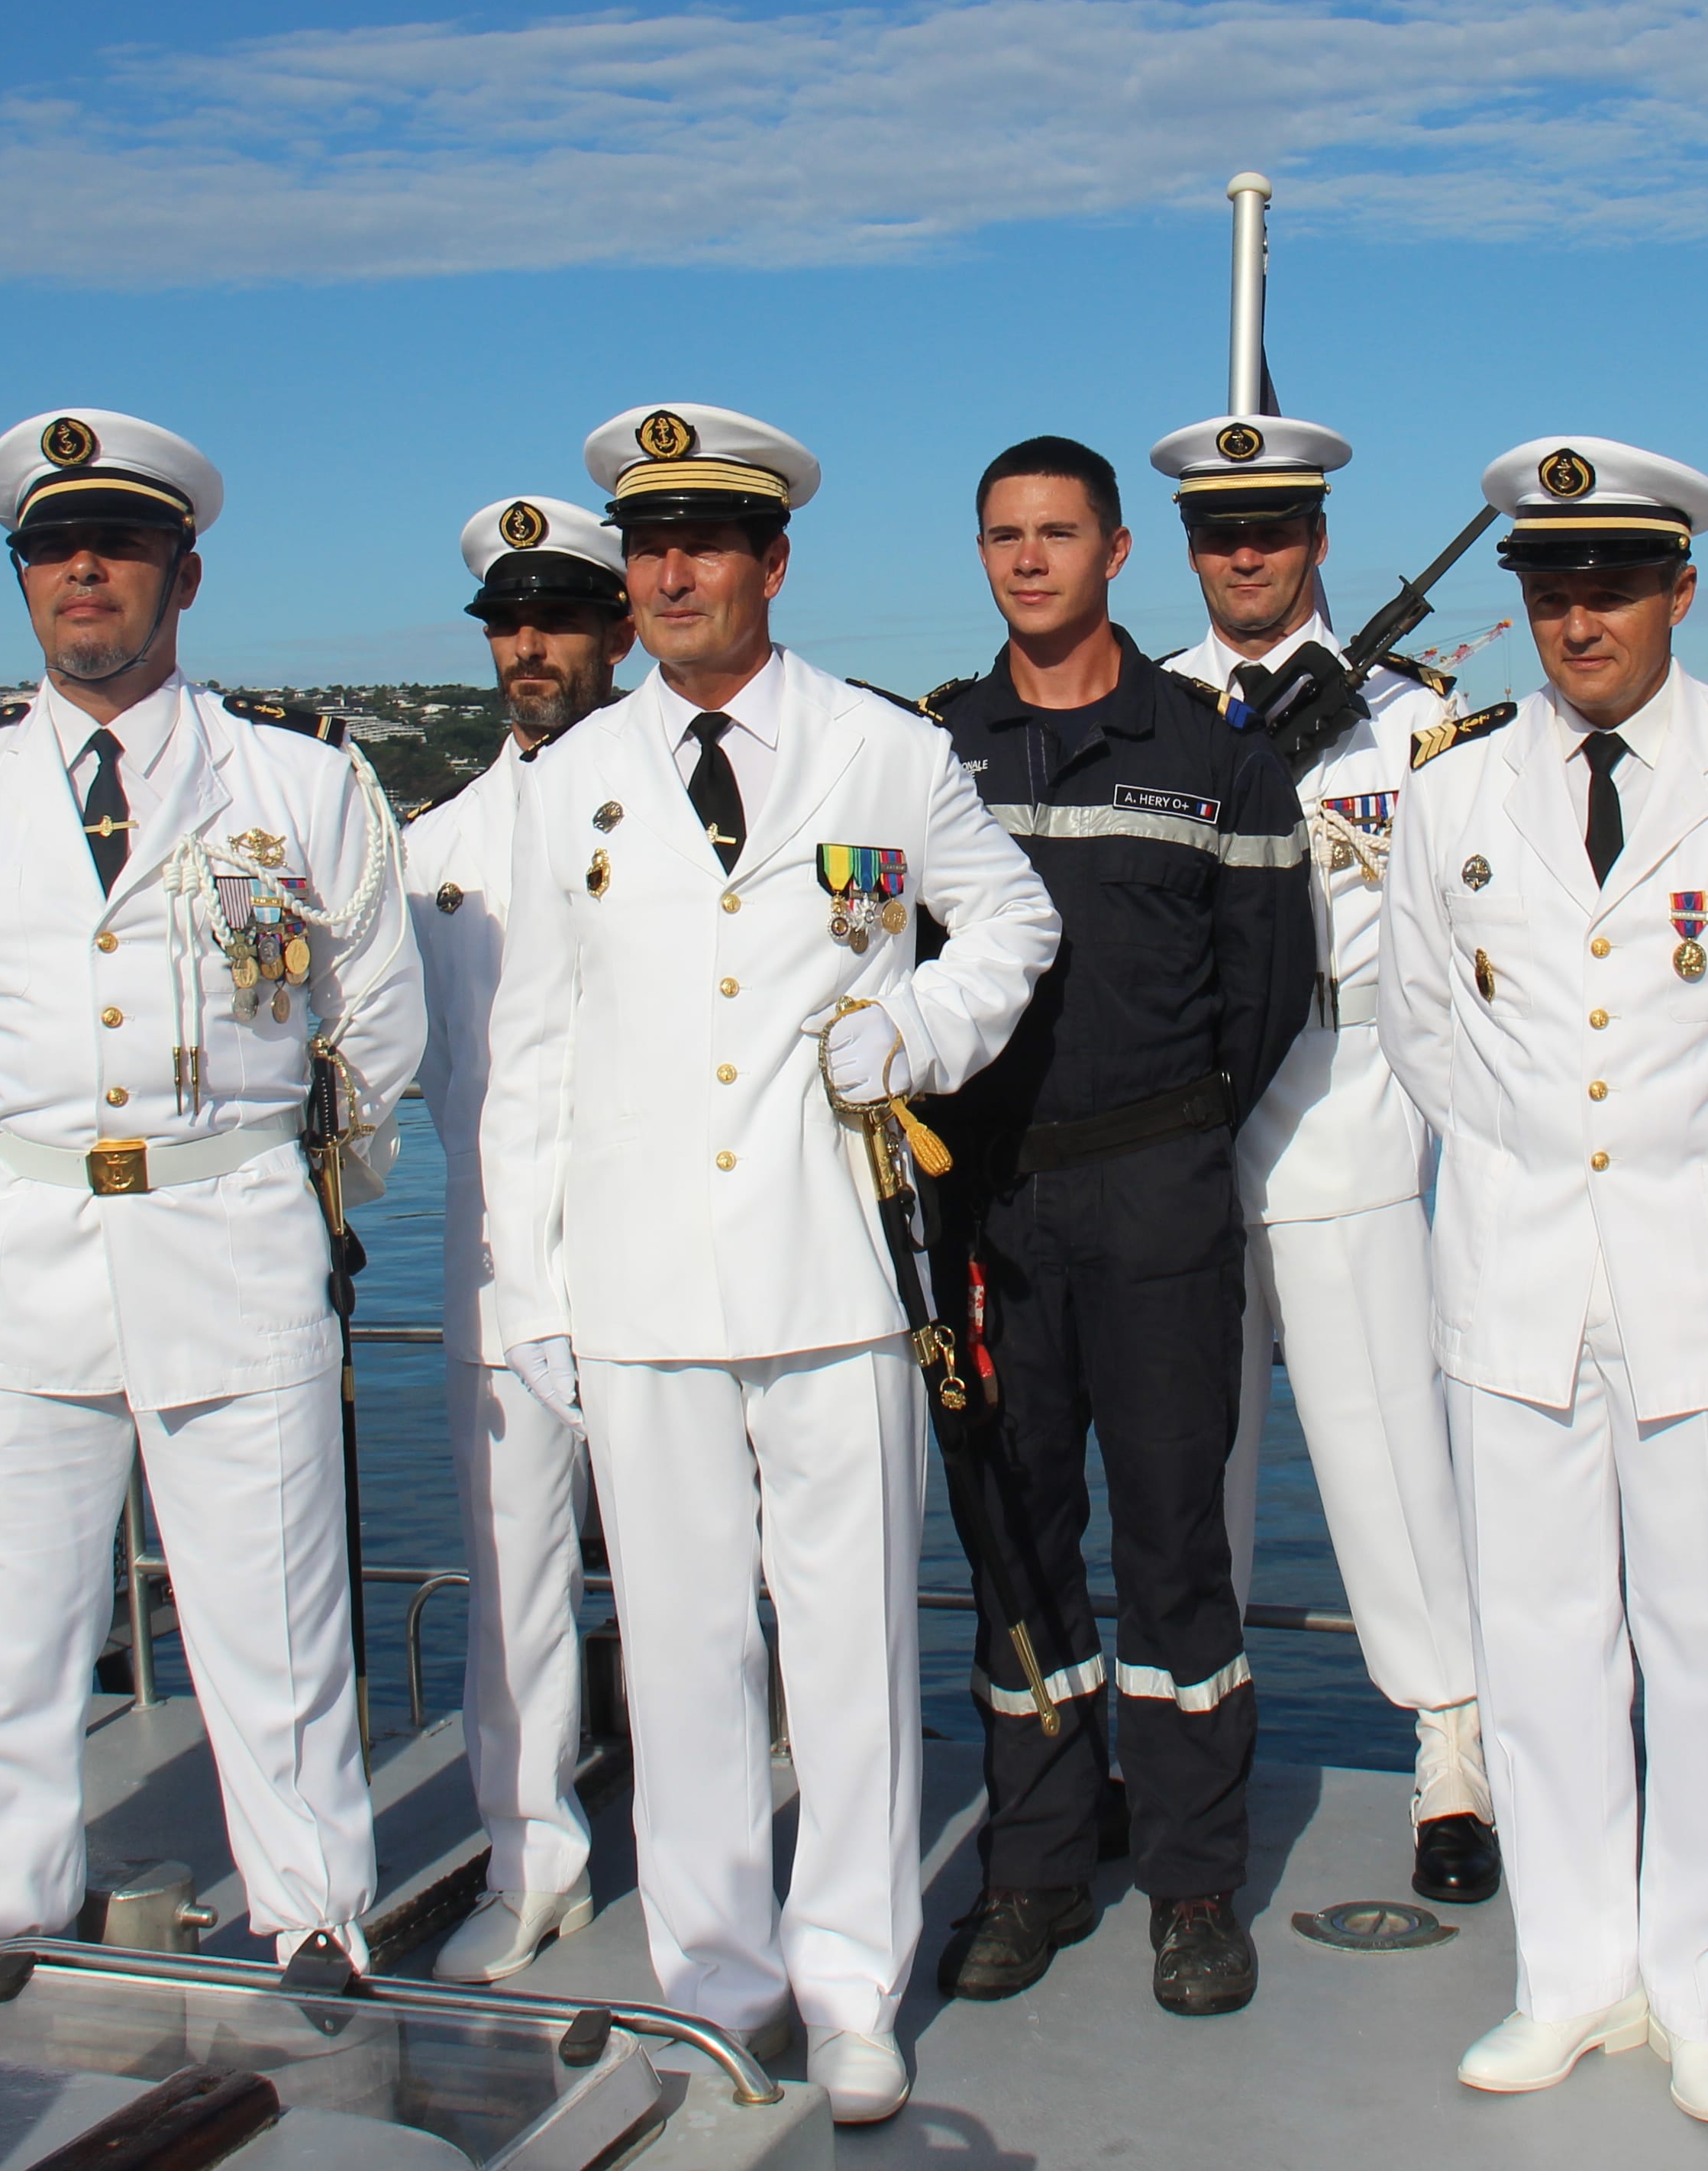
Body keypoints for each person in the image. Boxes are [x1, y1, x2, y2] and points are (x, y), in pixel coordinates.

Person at [477, 403, 1057, 2125]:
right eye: (647, 546)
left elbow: (1013, 919)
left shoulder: (885, 751)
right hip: (643, 1287)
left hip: (830, 1273)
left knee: (852, 1644)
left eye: (704, 543)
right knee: (680, 1652)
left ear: (771, 563)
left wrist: (922, 1027)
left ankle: (853, 1981)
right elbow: (531, 1057)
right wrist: (532, 1296)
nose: (668, 573)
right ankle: (716, 1981)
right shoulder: (571, 781)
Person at [0, 409, 425, 1982]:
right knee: (8, 1632)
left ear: (186, 567)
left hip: (233, 1234)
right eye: (50, 545)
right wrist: (22, 1160)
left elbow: (379, 1029)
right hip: (16, 1250)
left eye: (114, 542)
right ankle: (2, 1924)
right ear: (23, 576)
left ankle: (313, 1923)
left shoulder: (298, 787)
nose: (81, 570)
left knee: (278, 1628)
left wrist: (281, 1185)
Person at [1385, 435, 1708, 2128]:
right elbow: (1422, 1027)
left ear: (1679, 586)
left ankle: (1700, 1991)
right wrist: (1541, 1166)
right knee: (1536, 1651)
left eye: (1609, 583)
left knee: (1704, 1642)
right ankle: (1570, 1977)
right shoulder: (1451, 782)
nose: (1577, 616)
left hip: (1706, 1281)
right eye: (1548, 586)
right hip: (1514, 1282)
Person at [922, 435, 1318, 2018]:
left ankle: (1193, 1883)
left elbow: (1268, 989)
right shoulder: (934, 756)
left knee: (1173, 1553)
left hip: (1158, 1199)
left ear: (1116, 554)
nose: (1030, 562)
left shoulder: (1217, 758)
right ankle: (1032, 1869)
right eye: (1003, 537)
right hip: (993, 1205)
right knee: (1016, 1553)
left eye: (1058, 535)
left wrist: (1169, 1130)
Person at [1151, 412, 1499, 1906]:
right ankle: (1180, 1747)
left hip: (1351, 1094)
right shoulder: (1149, 710)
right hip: (1177, 1120)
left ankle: (1455, 1746)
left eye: (1275, 528)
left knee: (1386, 1456)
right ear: (1188, 548)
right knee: (1185, 1467)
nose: (1248, 553)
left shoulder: (1415, 721)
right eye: (1222, 532)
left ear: (1318, 539)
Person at [405, 493, 631, 1984]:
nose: (529, 647)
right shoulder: (433, 849)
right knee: (514, 1580)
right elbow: (418, 1064)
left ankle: (724, 1872)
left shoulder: (673, 805)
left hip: (654, 1249)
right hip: (495, 1260)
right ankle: (528, 1856)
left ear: (617, 627)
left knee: (709, 1583)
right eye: (509, 621)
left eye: (556, 618)